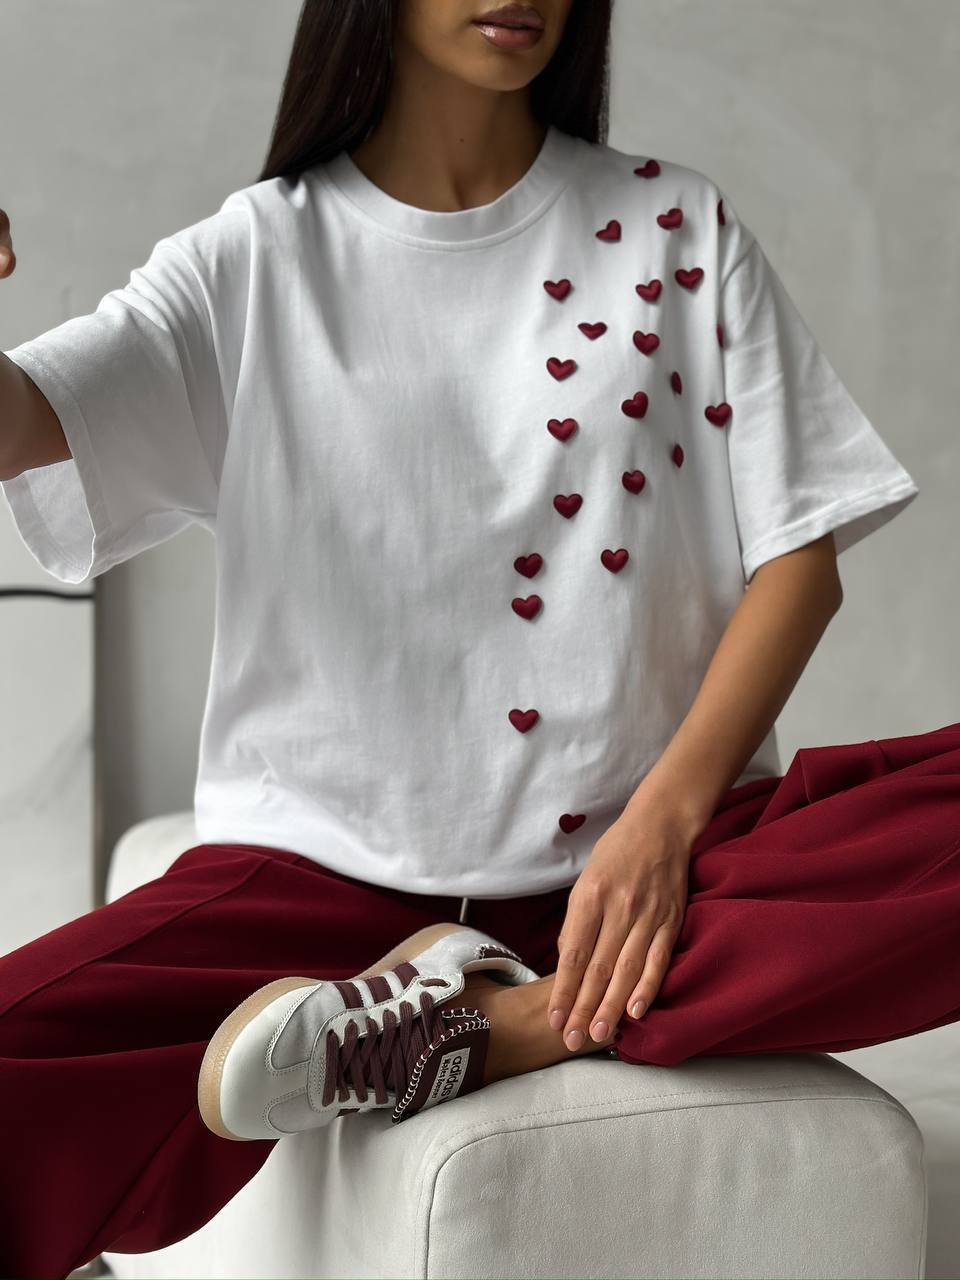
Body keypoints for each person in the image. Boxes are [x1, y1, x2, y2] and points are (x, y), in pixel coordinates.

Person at [0, 0, 957, 1275]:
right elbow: (26, 423)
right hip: (316, 884)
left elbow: (801, 560)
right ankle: (463, 1018)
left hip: (662, 870)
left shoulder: (678, 226)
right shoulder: (258, 255)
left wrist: (662, 824)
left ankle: (489, 1027)